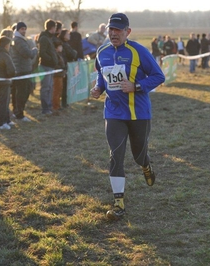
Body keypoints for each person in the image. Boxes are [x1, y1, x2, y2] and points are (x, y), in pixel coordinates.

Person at [90, 13, 165, 221]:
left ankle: (146, 164)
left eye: (118, 30)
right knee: (116, 155)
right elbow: (101, 74)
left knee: (138, 154)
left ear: (127, 32)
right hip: (113, 112)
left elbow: (159, 76)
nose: (113, 33)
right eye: (110, 29)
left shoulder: (138, 51)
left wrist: (137, 86)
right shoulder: (102, 51)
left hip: (138, 113)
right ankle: (118, 203)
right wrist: (98, 88)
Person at [11, 22, 38, 122]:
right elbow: (27, 54)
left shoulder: (19, 39)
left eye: (25, 29)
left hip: (23, 69)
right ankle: (19, 114)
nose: (24, 31)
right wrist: (35, 50)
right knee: (23, 93)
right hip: (22, 70)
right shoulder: (19, 40)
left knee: (20, 92)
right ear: (18, 30)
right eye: (22, 29)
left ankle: (16, 112)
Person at [38, 19, 60, 115]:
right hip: (45, 66)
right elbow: (42, 53)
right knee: (45, 88)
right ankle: (45, 108)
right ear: (52, 28)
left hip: (50, 67)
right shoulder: (44, 38)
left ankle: (49, 107)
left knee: (50, 87)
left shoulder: (49, 38)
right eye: (55, 27)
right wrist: (51, 59)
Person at [58, 29, 77, 109]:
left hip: (66, 66)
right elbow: (72, 54)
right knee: (64, 86)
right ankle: (64, 103)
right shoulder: (64, 44)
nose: (69, 35)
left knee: (66, 85)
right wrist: (75, 52)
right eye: (67, 34)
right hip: (65, 66)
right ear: (64, 35)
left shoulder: (65, 44)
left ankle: (65, 102)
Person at [51, 40, 66, 111]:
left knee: (59, 91)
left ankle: (58, 105)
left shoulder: (59, 54)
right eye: (60, 46)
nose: (61, 48)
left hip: (60, 75)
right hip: (56, 75)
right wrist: (61, 67)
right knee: (56, 91)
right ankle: (55, 106)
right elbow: (55, 65)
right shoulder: (55, 55)